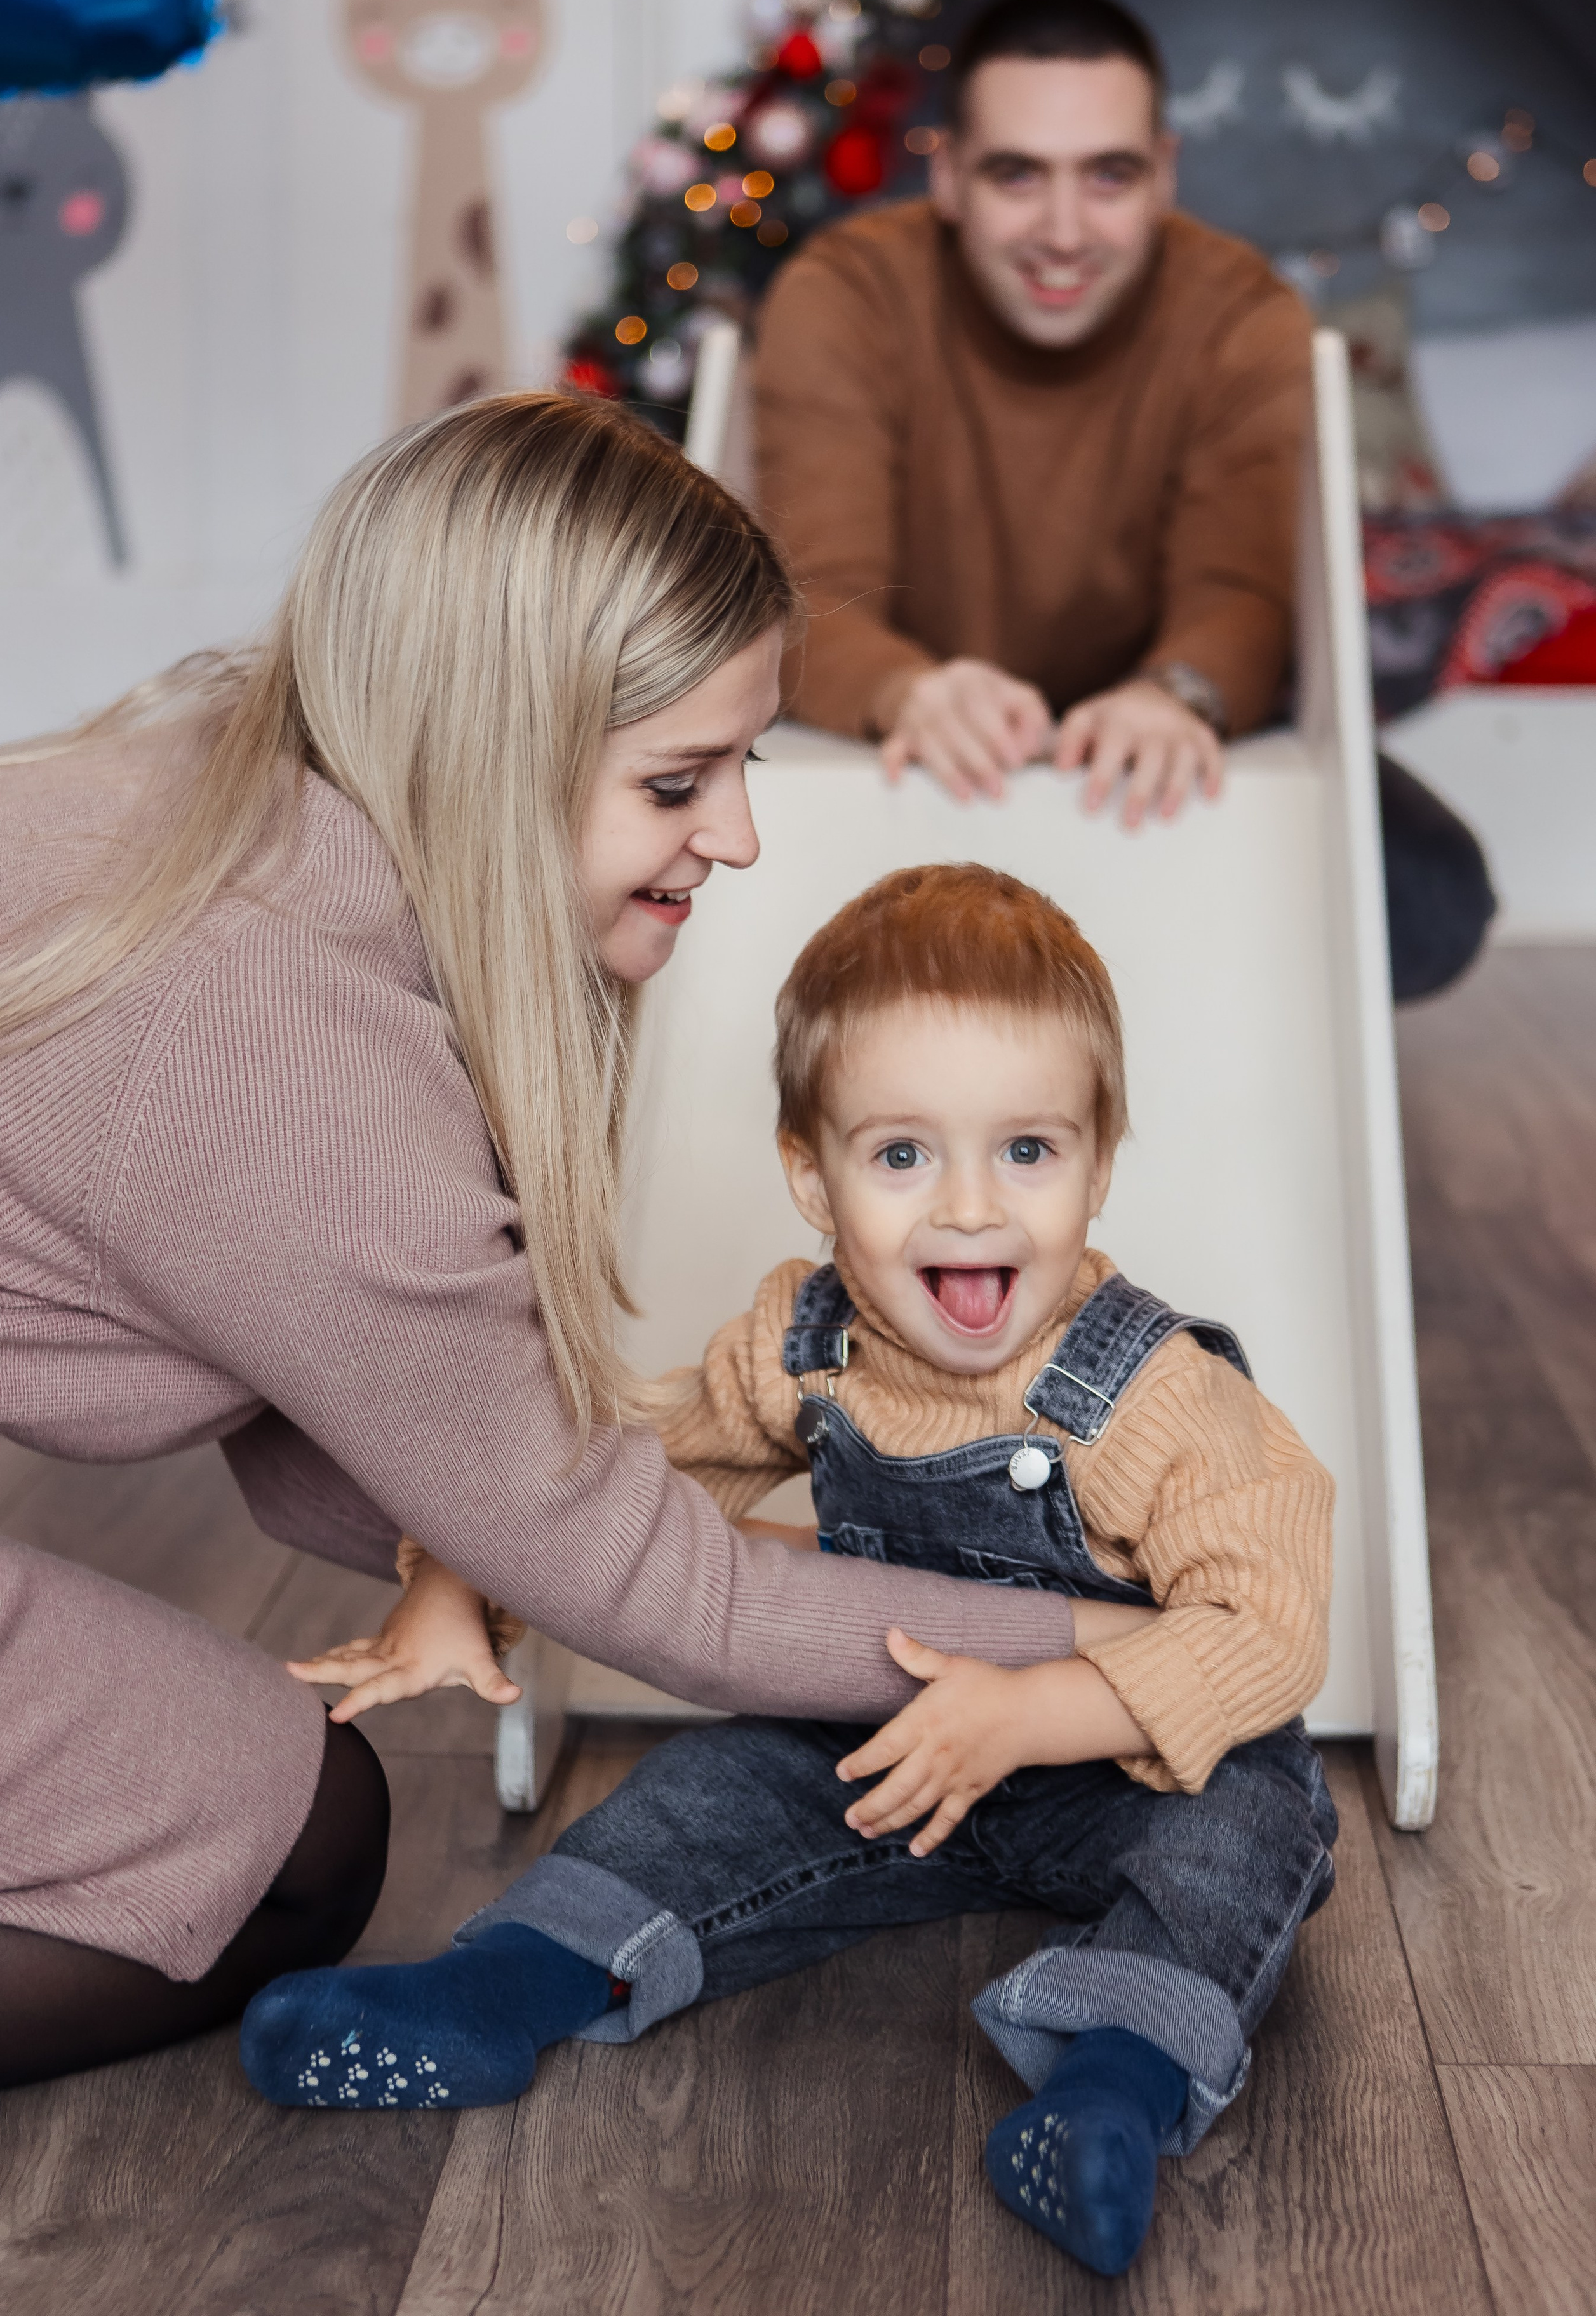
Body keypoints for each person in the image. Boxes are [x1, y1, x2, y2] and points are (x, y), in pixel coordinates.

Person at [0, 399, 1087, 2092]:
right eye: (675, 782)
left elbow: (380, 1463)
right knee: (285, 1837)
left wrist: (706, 1501)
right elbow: (648, 1589)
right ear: (490, 747)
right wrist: (1141, 1647)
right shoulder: (285, 1061)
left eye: (743, 765)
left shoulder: (224, 788)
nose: (736, 837)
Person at [240, 864, 1336, 2282]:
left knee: (1245, 1839)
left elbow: (1268, 1629)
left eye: (1024, 1151)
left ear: (1099, 1159)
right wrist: (459, 1572)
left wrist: (1030, 1715)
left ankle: (1108, 2090)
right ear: (809, 1174)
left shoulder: (1148, 1398)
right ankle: (499, 1989)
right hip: (881, 1752)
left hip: (1126, 1776)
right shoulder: (800, 1343)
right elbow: (615, 1477)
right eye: (899, 1157)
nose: (966, 1209)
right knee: (701, 1800)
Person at [753, 0, 1494, 1000]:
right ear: (952, 178)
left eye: (1109, 176)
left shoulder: (1242, 314)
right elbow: (810, 593)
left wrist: (1177, 692)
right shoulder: (845, 295)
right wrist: (904, 690)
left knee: (1430, 899)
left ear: (1163, 175)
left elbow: (1240, 588)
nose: (1065, 231)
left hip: (1142, 723)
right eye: (1018, 175)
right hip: (919, 730)